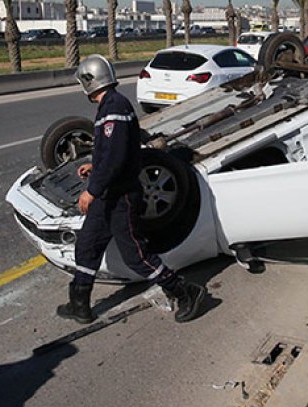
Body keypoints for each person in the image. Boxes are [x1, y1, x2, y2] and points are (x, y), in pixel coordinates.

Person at [58, 54, 206, 324]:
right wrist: (94, 165)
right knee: (87, 245)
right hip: (108, 195)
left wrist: (91, 190)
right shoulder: (110, 106)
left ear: (90, 81)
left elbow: (116, 158)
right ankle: (79, 303)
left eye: (83, 81)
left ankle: (184, 292)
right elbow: (116, 150)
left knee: (135, 255)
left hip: (121, 197)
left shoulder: (114, 107)